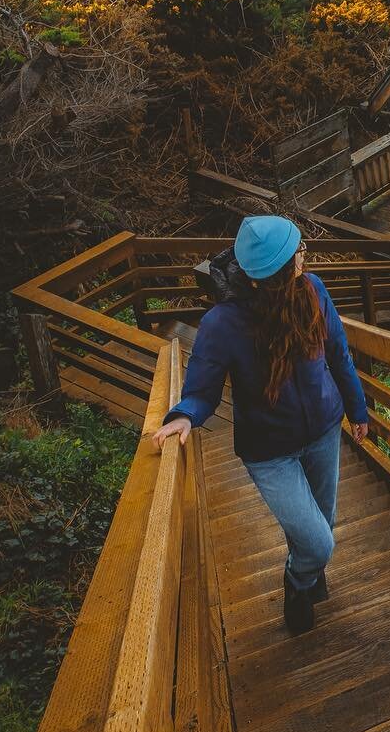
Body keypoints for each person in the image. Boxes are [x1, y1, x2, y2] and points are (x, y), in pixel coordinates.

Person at [152, 215, 370, 636]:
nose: (305, 255)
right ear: (277, 273)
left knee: (316, 528)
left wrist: (357, 411)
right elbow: (202, 388)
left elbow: (339, 354)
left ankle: (307, 573)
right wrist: (182, 414)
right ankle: (298, 582)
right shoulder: (223, 324)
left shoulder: (313, 291)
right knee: (319, 542)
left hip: (324, 431)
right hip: (270, 451)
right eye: (298, 252)